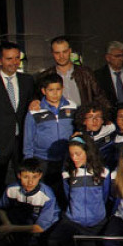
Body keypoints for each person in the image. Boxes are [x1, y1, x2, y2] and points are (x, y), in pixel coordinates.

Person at [0, 42, 36, 234]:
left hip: (22, 142)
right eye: (9, 58)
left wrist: (35, 101)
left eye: (17, 58)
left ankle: (19, 222)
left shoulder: (27, 80)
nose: (14, 62)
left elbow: (31, 105)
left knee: (24, 181)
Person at [0, 158, 58, 246]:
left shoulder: (47, 195)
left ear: (40, 176)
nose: (30, 182)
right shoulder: (11, 189)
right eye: (25, 177)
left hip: (44, 227)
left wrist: (10, 228)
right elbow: (1, 208)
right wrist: (6, 224)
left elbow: (39, 228)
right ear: (19, 176)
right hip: (22, 222)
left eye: (34, 177)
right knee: (11, 239)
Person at [49, 136, 108, 246]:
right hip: (73, 221)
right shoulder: (67, 173)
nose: (74, 158)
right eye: (71, 154)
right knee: (53, 242)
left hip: (95, 224)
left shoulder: (103, 172)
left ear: (87, 152)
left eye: (78, 154)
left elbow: (105, 195)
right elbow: (67, 194)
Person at [24, 74, 77, 204]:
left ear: (63, 88)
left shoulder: (72, 106)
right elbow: (28, 138)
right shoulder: (34, 110)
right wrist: (28, 162)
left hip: (65, 159)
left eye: (58, 89)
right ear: (43, 91)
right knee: (42, 193)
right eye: (50, 90)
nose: (55, 93)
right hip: (42, 159)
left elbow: (77, 130)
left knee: (64, 192)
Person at [38, 36, 108, 109]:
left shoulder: (85, 73)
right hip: (58, 118)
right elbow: (37, 98)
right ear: (52, 53)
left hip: (83, 117)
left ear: (70, 51)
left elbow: (100, 96)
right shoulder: (45, 76)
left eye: (64, 52)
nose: (61, 56)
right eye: (57, 53)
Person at [75, 103, 118, 169]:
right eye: (90, 117)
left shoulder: (111, 129)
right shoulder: (79, 138)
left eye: (98, 116)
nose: (95, 120)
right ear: (83, 121)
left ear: (103, 120)